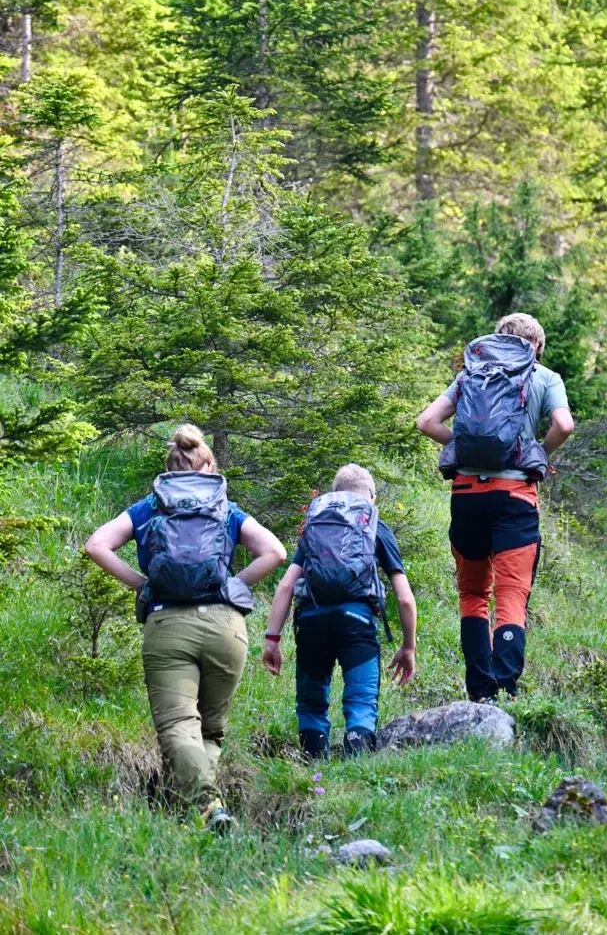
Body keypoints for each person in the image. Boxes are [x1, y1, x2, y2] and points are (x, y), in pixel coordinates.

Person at [85, 424, 286, 831]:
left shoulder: (149, 507)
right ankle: (201, 813)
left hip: (168, 625)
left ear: (169, 468)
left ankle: (209, 808)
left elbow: (96, 545)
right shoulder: (225, 508)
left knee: (178, 725)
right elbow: (276, 552)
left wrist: (141, 583)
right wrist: (234, 585)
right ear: (209, 466)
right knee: (210, 730)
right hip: (225, 628)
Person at [416, 312, 574, 702]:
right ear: (536, 347)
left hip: (467, 495)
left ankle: (478, 691)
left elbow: (426, 422)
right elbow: (564, 425)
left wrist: (462, 447)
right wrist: (537, 451)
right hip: (515, 495)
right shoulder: (545, 376)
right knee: (511, 594)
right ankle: (505, 691)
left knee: (472, 595)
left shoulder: (471, 374)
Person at [262, 463, 417, 759]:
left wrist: (273, 639)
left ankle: (313, 770)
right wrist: (408, 646)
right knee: (361, 701)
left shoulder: (317, 523)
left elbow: (285, 587)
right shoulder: (372, 524)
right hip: (356, 621)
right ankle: (355, 773)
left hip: (311, 620)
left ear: (333, 495)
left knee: (311, 702)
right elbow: (405, 599)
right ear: (371, 497)